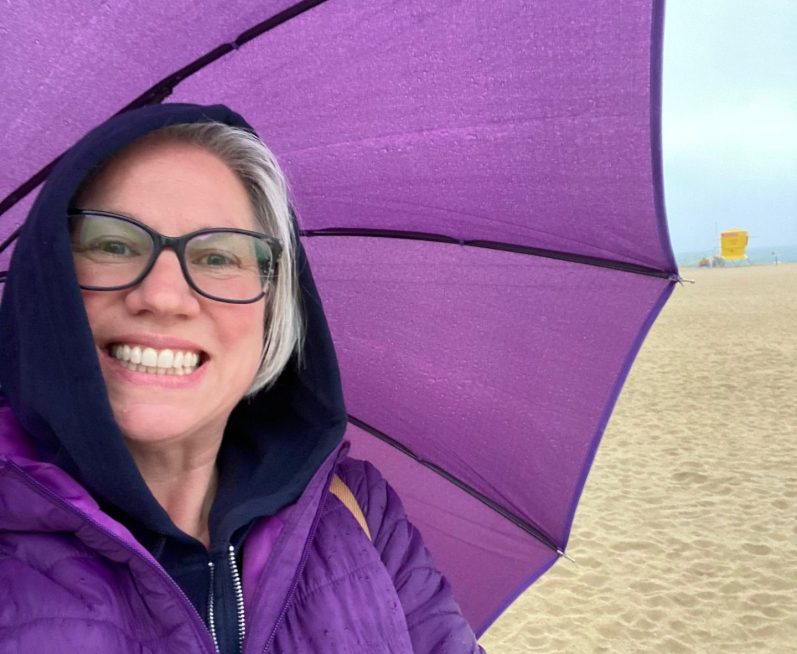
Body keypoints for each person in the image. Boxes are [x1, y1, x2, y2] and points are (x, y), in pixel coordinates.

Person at [0, 104, 484, 653]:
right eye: (114, 245)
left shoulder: (359, 512)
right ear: (49, 276)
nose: (163, 296)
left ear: (274, 304)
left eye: (218, 257)